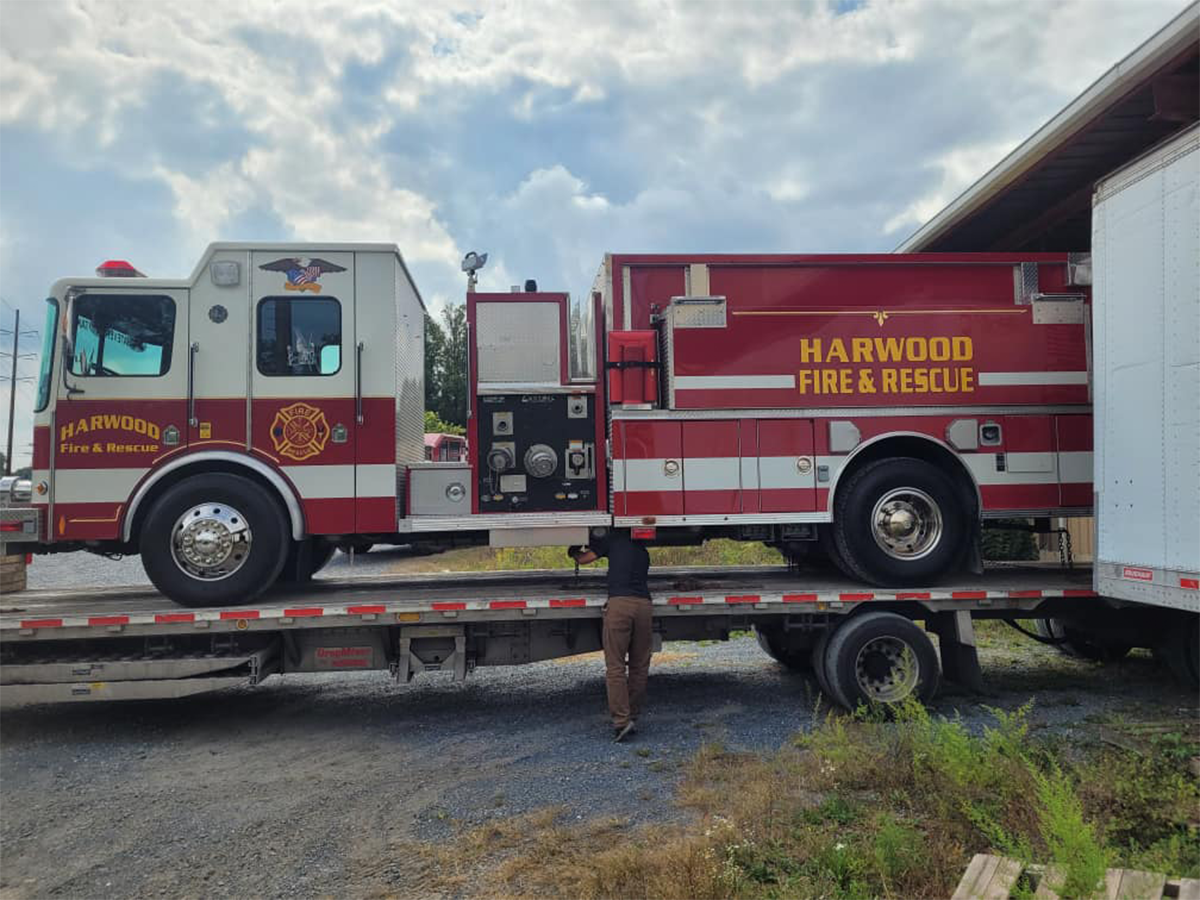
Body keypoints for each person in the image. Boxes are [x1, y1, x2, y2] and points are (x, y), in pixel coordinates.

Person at [568, 530, 652, 742]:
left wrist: (573, 551)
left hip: (619, 605)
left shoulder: (612, 541)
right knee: (639, 666)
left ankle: (621, 722)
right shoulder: (643, 551)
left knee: (615, 667)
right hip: (644, 606)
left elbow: (584, 559)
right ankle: (632, 716)